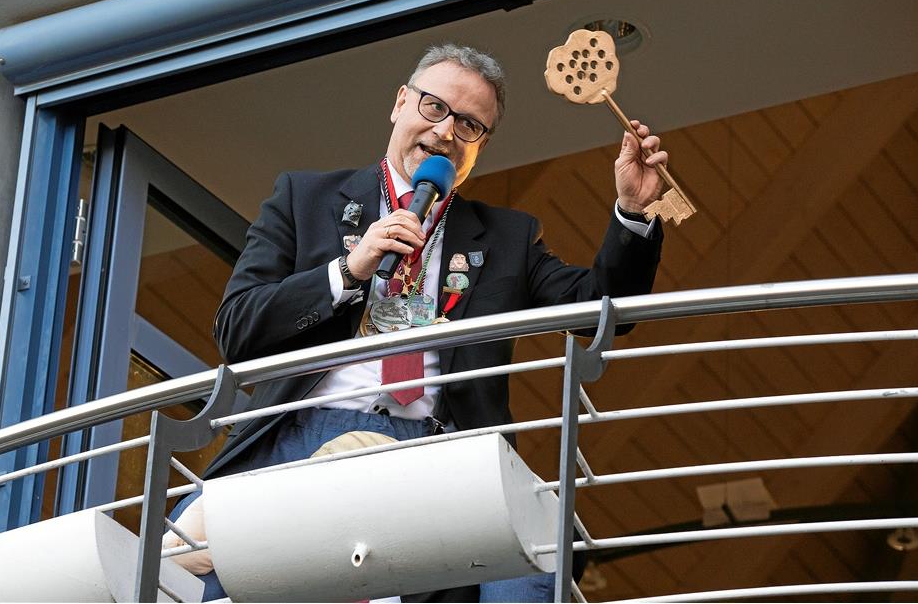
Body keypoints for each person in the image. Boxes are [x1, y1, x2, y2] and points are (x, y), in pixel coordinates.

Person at [169, 44, 667, 601]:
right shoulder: (304, 198)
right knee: (170, 569)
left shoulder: (508, 237)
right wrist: (346, 271)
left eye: (470, 125)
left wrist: (633, 212)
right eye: (434, 108)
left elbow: (599, 310)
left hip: (441, 453)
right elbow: (237, 329)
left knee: (539, 555)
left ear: (481, 145)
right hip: (302, 430)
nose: (446, 132)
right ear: (400, 103)